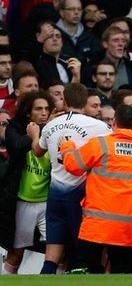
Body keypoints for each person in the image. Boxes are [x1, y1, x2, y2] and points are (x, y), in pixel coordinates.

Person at [30, 83, 112, 274]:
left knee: (53, 250)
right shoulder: (98, 126)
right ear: (85, 102)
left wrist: (34, 134)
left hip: (56, 195)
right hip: (81, 195)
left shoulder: (50, 125)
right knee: (81, 250)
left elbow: (37, 151)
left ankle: (45, 276)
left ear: (64, 101)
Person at [60, 105, 132, 273]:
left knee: (88, 274)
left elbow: (72, 165)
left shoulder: (101, 144)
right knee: (123, 276)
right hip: (125, 228)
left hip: (96, 225)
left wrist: (67, 146)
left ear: (114, 122)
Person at [1, 91, 53, 274]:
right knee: (16, 252)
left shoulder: (52, 131)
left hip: (47, 201)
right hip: (23, 201)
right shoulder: (14, 128)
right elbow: (16, 147)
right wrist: (33, 135)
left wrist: (40, 134)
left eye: (47, 109)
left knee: (57, 251)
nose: (43, 113)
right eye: (38, 109)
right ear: (28, 112)